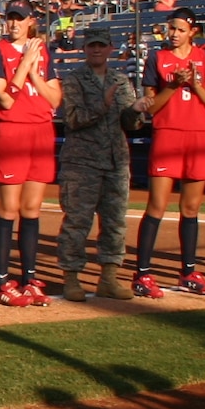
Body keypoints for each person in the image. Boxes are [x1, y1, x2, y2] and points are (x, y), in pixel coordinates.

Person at [132, 8, 205, 298]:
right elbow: (151, 106)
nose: (173, 34)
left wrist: (194, 82)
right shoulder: (157, 59)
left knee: (191, 209)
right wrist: (172, 85)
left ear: (192, 32)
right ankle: (143, 274)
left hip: (198, 136)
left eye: (180, 29)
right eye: (171, 28)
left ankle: (188, 271)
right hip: (168, 135)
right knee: (157, 206)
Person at [0, 0, 62, 307]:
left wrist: (35, 74)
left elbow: (55, 99)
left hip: (41, 131)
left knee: (32, 210)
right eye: (10, 18)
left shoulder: (43, 50)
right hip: (12, 131)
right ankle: (3, 281)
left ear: (31, 21)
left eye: (20, 18)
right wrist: (25, 66)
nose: (13, 23)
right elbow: (5, 100)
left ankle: (30, 278)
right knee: (8, 209)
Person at [55, 26, 135, 301]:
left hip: (115, 160)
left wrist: (136, 112)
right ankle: (71, 278)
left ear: (111, 48)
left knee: (115, 222)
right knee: (77, 222)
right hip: (82, 162)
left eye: (101, 45)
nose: (97, 50)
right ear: (85, 49)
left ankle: (109, 277)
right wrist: (103, 104)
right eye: (91, 46)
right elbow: (73, 119)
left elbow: (130, 124)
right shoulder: (74, 80)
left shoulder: (121, 80)